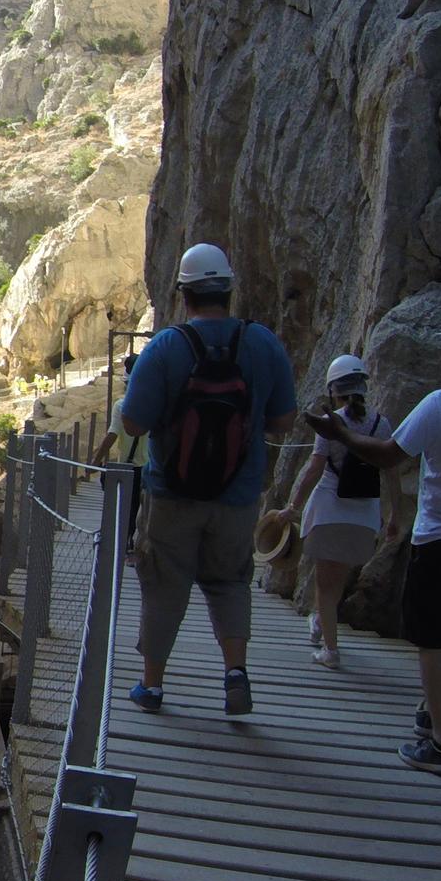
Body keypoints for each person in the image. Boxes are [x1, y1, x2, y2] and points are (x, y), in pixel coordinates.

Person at [118, 243, 297, 716]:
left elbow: (134, 424)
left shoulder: (166, 347)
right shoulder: (263, 343)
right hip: (238, 495)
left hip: (171, 495)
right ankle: (235, 672)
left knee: (164, 583)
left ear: (183, 294)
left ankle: (151, 686)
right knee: (231, 581)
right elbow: (283, 422)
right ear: (229, 291)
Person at [305, 387, 441, 774]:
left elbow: (388, 454)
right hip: (406, 529)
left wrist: (341, 434)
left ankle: (439, 740)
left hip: (438, 538)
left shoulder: (438, 404)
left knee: (433, 640)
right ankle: (431, 711)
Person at [267, 355, 397, 669]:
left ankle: (330, 650)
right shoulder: (381, 424)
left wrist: (292, 506)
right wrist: (395, 516)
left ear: (332, 389)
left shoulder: (331, 421)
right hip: (363, 513)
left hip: (329, 508)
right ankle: (320, 623)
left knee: (325, 584)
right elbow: (390, 471)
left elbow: (315, 468)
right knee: (336, 579)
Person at [91, 353, 148, 553]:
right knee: (148, 509)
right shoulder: (157, 404)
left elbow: (112, 435)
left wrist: (96, 461)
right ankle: (142, 546)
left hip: (129, 466)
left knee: (128, 509)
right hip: (151, 467)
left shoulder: (122, 406)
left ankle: (126, 543)